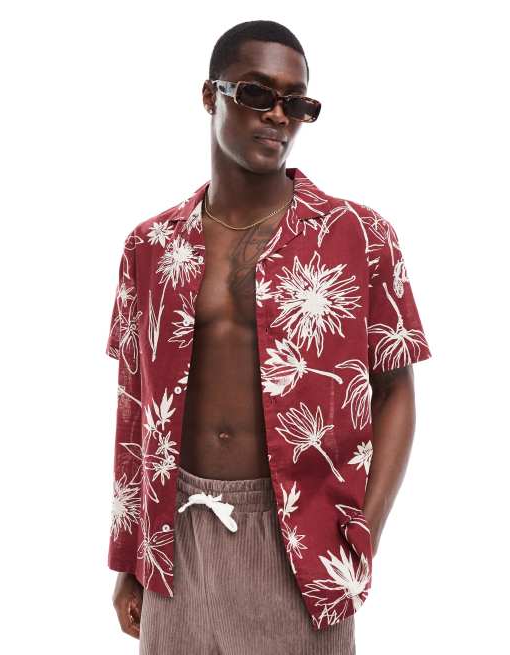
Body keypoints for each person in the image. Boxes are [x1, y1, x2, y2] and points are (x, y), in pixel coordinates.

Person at [106, 19, 432, 654]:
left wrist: (361, 535)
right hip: (176, 538)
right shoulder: (150, 246)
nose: (278, 115)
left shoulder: (359, 237)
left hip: (302, 540)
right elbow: (133, 404)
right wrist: (130, 555)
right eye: (256, 93)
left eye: (296, 102)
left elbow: (396, 393)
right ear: (210, 96)